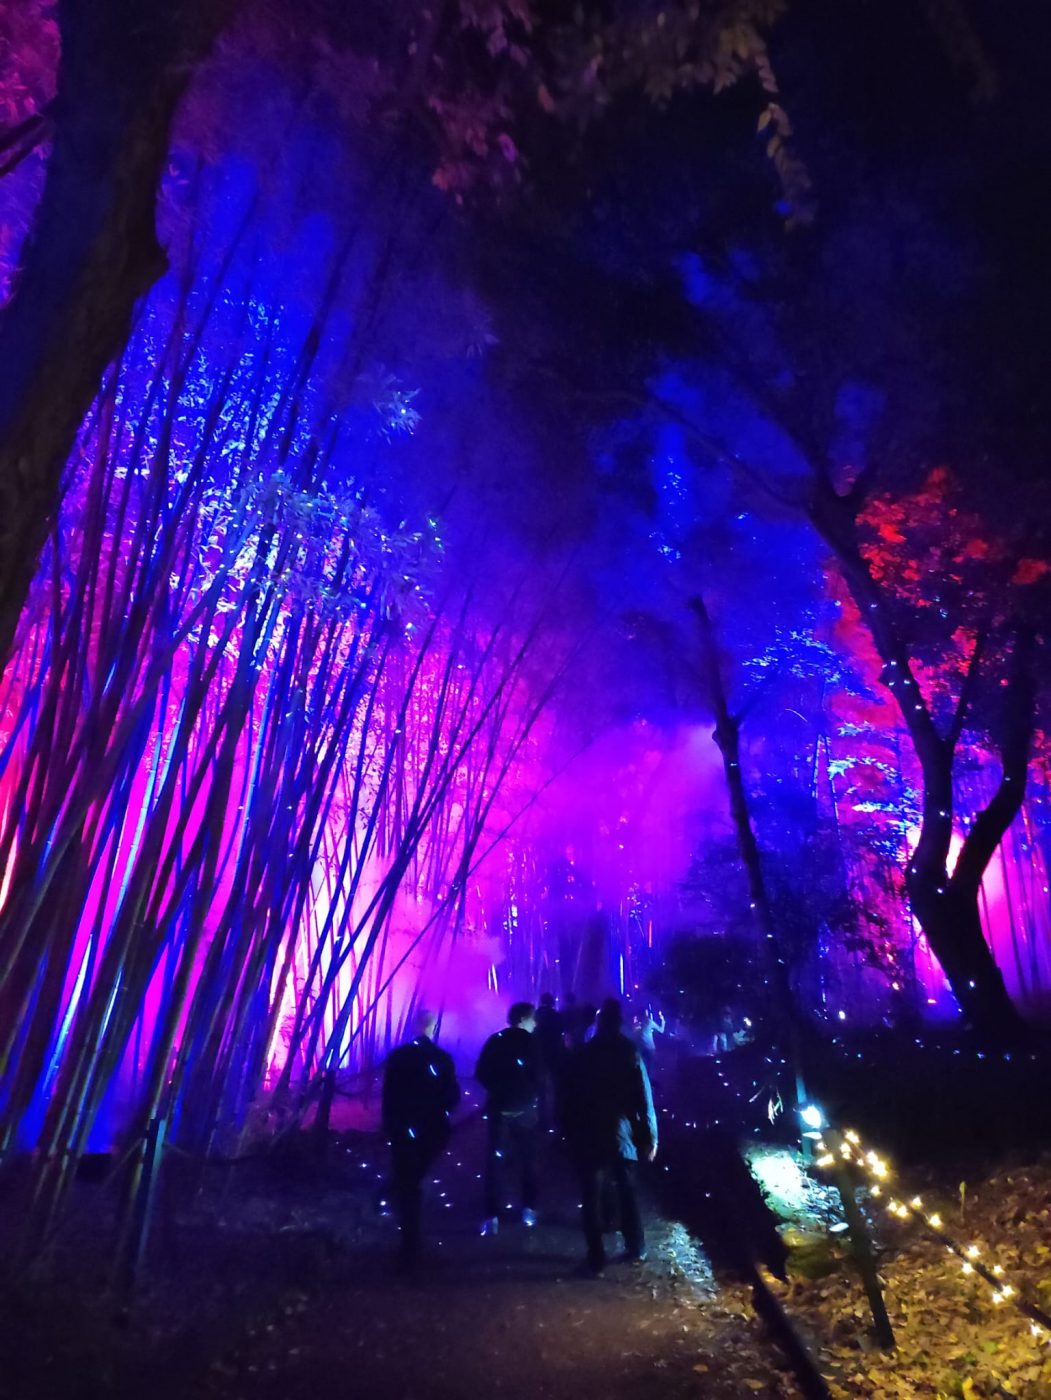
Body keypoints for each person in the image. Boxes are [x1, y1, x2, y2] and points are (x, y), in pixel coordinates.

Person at [562, 996, 658, 1277]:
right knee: (627, 1190)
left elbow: (569, 1097)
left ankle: (596, 1258)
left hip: (589, 1132)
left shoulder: (584, 1053)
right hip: (620, 1131)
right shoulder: (629, 1051)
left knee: (591, 1195)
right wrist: (650, 1136)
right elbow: (644, 1096)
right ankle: (636, 1245)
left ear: (599, 1022)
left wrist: (567, 1131)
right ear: (620, 1022)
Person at [381, 1009, 460, 1269]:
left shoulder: (398, 1057)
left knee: (408, 1181)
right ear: (433, 1026)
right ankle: (412, 1244)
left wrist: (390, 1124)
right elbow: (452, 1097)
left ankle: (410, 1244)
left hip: (404, 1126)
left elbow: (389, 1095)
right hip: (433, 1128)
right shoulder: (442, 1058)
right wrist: (441, 1111)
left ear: (413, 1025)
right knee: (412, 1179)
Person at [475, 1001, 540, 1235]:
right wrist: (529, 1095)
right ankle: (529, 1209)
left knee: (495, 1163)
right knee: (529, 1160)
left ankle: (491, 1216)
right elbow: (540, 1075)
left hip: (499, 1109)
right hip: (525, 1111)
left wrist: (497, 1091)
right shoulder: (532, 1043)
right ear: (522, 1019)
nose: (535, 1024)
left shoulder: (495, 1040)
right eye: (532, 1019)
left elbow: (481, 1072)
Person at [533, 992, 565, 1129]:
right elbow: (561, 1032)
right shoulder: (557, 1016)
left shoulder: (537, 1015)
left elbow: (534, 1032)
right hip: (555, 1053)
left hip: (540, 1054)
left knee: (541, 1089)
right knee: (557, 1086)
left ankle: (542, 1120)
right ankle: (558, 1118)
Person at [633, 1005, 666, 1070]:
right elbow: (661, 1030)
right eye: (646, 1012)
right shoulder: (649, 1022)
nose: (647, 1013)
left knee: (644, 1066)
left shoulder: (639, 1023)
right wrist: (663, 1020)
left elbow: (635, 1031)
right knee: (650, 1066)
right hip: (650, 1048)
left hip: (643, 1048)